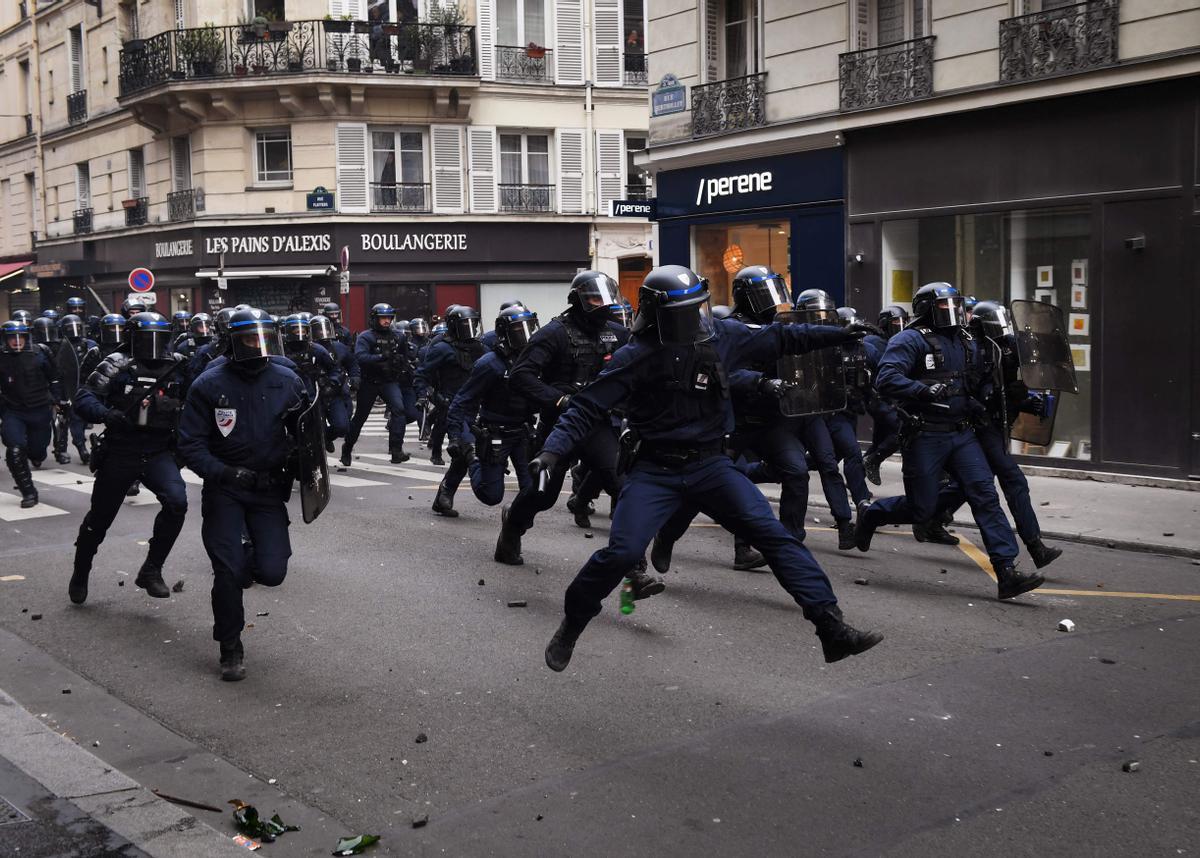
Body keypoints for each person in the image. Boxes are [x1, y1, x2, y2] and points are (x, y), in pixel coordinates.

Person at [535, 266, 882, 672]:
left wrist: (842, 333)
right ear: (660, 314)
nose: (697, 318)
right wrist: (551, 453)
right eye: (686, 312)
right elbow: (586, 408)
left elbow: (784, 338)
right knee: (623, 553)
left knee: (776, 538)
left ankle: (831, 627)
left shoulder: (722, 336)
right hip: (655, 471)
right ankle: (572, 625)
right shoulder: (636, 355)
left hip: (711, 465)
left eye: (698, 308)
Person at [853, 283, 1045, 600]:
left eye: (956, 305)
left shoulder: (964, 341)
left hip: (961, 432)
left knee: (984, 493)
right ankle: (873, 514)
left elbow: (981, 381)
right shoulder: (909, 339)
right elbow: (886, 378)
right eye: (946, 306)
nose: (955, 312)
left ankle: (1006, 571)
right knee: (922, 508)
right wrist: (922, 391)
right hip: (924, 434)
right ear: (928, 310)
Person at [178, 309, 307, 681]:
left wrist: (301, 459)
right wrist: (223, 471)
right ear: (234, 340)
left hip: (268, 489)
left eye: (265, 337)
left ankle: (248, 558)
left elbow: (307, 433)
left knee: (272, 572)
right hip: (226, 490)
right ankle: (230, 646)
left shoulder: (288, 380)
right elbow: (190, 444)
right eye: (251, 338)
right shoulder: (208, 384)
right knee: (227, 573)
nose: (259, 345)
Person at [497, 272, 631, 561]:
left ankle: (632, 562)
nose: (603, 305)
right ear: (578, 301)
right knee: (542, 494)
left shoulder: (618, 333)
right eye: (595, 299)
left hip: (598, 424)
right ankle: (513, 524)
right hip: (559, 423)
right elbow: (521, 376)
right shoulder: (553, 333)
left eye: (607, 299)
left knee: (622, 487)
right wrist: (557, 399)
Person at [68, 313, 189, 604]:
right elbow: (84, 397)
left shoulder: (177, 365)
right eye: (147, 338)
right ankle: (81, 569)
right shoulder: (116, 362)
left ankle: (151, 569)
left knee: (177, 503)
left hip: (159, 450)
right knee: (99, 520)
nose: (153, 345)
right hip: (122, 449)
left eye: (159, 338)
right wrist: (106, 414)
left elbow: (196, 399)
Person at [939, 301, 1062, 570]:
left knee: (970, 482)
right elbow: (978, 394)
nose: (1002, 331)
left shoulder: (1005, 349)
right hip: (980, 427)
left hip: (997, 426)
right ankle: (1035, 546)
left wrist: (1030, 401)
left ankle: (932, 516)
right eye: (995, 326)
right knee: (1013, 480)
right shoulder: (971, 352)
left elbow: (1008, 392)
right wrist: (1000, 397)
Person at [435, 305, 539, 516]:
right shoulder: (490, 362)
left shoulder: (535, 359)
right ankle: (467, 464)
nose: (525, 335)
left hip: (521, 431)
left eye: (528, 328)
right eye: (519, 330)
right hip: (492, 429)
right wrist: (457, 438)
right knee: (490, 495)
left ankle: (513, 525)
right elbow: (462, 402)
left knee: (532, 491)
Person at [791, 289, 859, 548]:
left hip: (815, 412)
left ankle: (844, 524)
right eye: (815, 312)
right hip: (791, 411)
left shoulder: (833, 339)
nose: (820, 317)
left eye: (824, 311)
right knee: (789, 470)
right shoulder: (791, 335)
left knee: (828, 464)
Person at [343, 303, 418, 465]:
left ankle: (396, 450)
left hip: (389, 381)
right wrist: (380, 358)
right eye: (383, 318)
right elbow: (360, 357)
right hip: (369, 382)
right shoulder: (366, 337)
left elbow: (405, 357)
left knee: (399, 410)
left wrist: (401, 364)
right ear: (374, 319)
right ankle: (347, 448)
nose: (386, 321)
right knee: (360, 418)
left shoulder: (399, 336)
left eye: (388, 318)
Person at [0, 318, 62, 507]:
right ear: (6, 339)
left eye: (21, 337)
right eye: (12, 338)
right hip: (13, 411)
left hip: (40, 410)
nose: (17, 341)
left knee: (37, 452)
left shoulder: (41, 353)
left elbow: (55, 379)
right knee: (15, 449)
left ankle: (36, 455)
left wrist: (61, 401)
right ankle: (28, 492)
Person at [416, 305, 486, 470]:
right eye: (465, 325)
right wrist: (427, 394)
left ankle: (455, 475)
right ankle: (438, 452)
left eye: (472, 324)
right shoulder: (440, 345)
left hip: (473, 397)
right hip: (449, 395)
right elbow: (425, 373)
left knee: (473, 433)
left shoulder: (478, 347)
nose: (470, 329)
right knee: (445, 425)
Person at [861, 305, 908, 485]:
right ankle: (874, 460)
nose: (900, 326)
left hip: (891, 397)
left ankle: (859, 475)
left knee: (879, 439)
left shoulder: (900, 342)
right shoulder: (873, 342)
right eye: (896, 322)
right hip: (879, 398)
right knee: (900, 431)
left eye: (903, 322)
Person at [312, 314, 358, 451]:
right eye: (319, 330)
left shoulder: (339, 347)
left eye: (326, 329)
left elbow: (352, 363)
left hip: (336, 390)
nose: (323, 333)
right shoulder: (310, 349)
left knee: (343, 425)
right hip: (316, 393)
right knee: (315, 427)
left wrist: (355, 378)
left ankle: (326, 438)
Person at [55, 314, 97, 465]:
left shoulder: (90, 344)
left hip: (87, 386)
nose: (74, 331)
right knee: (67, 420)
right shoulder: (61, 346)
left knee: (84, 418)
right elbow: (57, 371)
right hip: (68, 387)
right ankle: (75, 448)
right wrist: (59, 395)